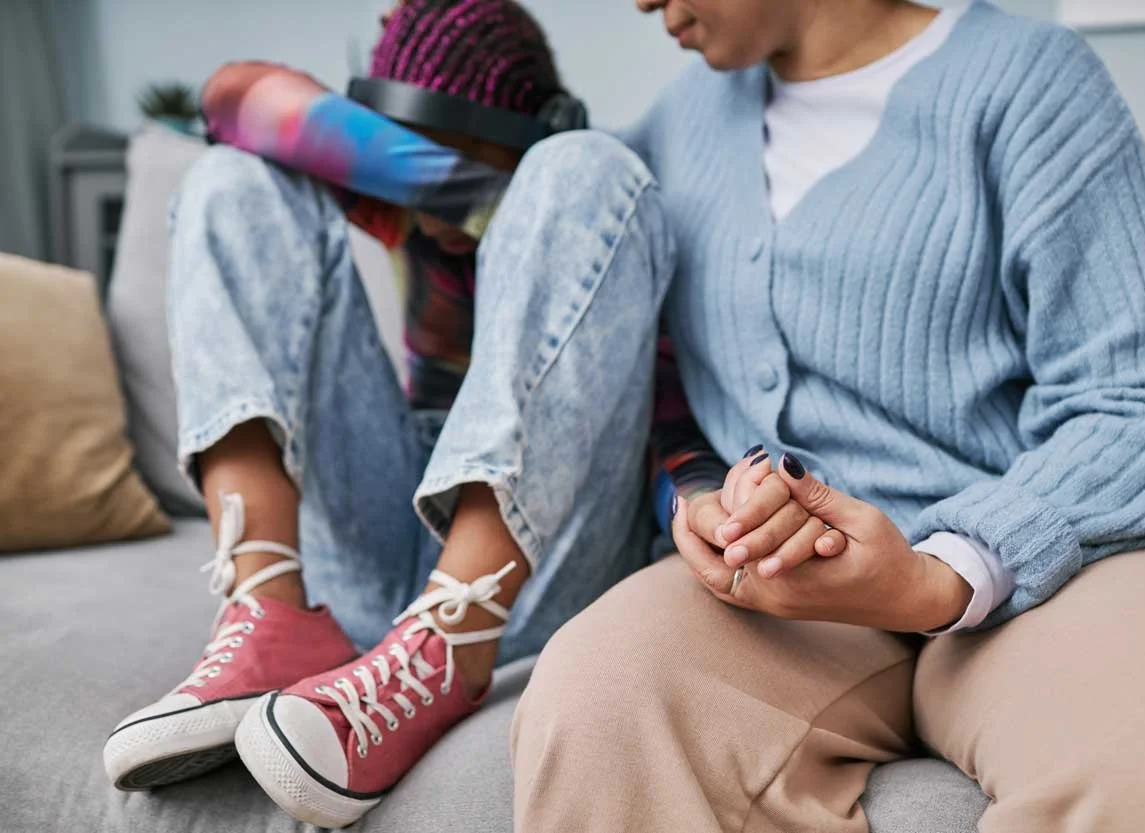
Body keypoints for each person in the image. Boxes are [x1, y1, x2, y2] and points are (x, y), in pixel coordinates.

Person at [509, 1, 1145, 831]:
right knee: (598, 693)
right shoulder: (677, 127)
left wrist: (946, 570)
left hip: (1065, 568)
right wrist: (704, 495)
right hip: (791, 605)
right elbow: (559, 273)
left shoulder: (1032, 82)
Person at [102, 1, 726, 826]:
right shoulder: (412, 208)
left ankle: (450, 645)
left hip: (533, 572)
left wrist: (705, 505)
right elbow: (232, 97)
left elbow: (674, 425)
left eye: (469, 156)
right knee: (228, 176)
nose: (435, 217)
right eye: (413, 159)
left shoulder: (582, 216)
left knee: (587, 169)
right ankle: (269, 614)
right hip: (376, 553)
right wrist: (469, 195)